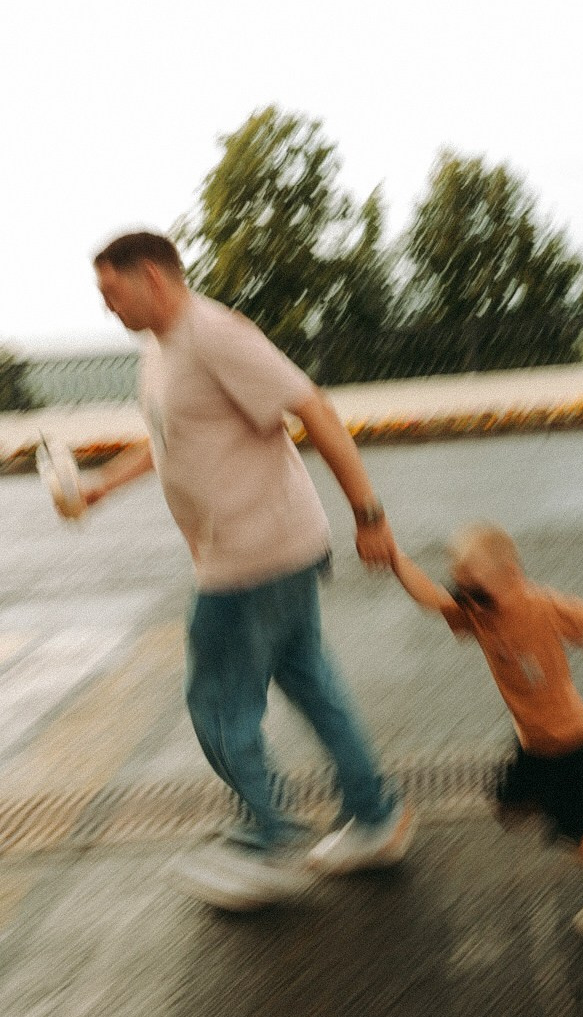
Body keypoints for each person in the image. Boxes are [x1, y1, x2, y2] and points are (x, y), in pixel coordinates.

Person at [86, 230, 413, 910]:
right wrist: (101, 487)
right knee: (312, 682)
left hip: (252, 555)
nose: (108, 310)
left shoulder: (214, 334)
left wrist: (370, 513)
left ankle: (269, 837)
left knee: (216, 700)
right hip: (271, 548)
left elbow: (310, 405)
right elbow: (170, 436)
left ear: (150, 275)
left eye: (111, 294)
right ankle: (376, 818)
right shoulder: (161, 351)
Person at [391, 523, 583, 937]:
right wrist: (393, 554)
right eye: (462, 588)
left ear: (513, 578)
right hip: (531, 742)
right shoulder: (474, 608)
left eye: (479, 590)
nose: (469, 600)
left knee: (574, 831)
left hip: (568, 742)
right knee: (511, 805)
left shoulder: (539, 606)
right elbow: (431, 597)